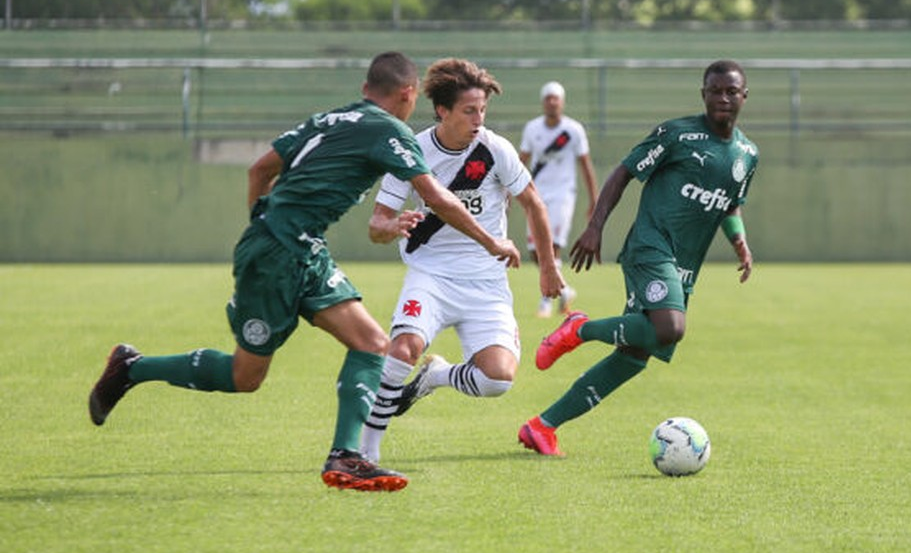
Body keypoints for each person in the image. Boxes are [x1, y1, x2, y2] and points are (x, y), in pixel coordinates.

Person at [87, 51, 521, 492]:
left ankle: (347, 457)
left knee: (372, 344)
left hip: (299, 248)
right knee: (246, 376)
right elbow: (440, 199)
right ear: (409, 94)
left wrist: (263, 225)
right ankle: (133, 367)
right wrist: (493, 241)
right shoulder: (392, 130)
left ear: (366, 88)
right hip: (278, 253)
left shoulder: (328, 120)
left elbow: (261, 170)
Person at [518, 60, 758, 457]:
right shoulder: (677, 134)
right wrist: (596, 226)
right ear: (703, 94)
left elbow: (730, 205)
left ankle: (542, 426)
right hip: (650, 248)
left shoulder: (747, 154)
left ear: (744, 96)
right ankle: (580, 329)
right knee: (670, 328)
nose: (723, 98)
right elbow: (624, 172)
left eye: (731, 91)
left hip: (684, 265)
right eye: (715, 90)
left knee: (634, 356)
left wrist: (740, 243)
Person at [359, 58, 565, 463]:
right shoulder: (412, 151)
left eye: (483, 110)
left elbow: (534, 204)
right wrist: (392, 225)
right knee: (402, 351)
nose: (478, 119)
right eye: (469, 110)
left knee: (497, 380)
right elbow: (376, 226)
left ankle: (438, 376)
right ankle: (366, 453)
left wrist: (548, 268)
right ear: (443, 110)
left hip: (486, 282)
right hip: (431, 276)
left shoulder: (495, 149)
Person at [519, 81, 598, 318]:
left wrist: (594, 199)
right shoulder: (532, 129)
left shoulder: (573, 130)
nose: (552, 102)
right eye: (548, 98)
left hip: (563, 194)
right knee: (535, 250)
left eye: (556, 98)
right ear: (543, 102)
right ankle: (564, 291)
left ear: (562, 102)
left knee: (551, 246)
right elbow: (520, 161)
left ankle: (545, 301)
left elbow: (585, 165)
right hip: (536, 195)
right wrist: (506, 190)